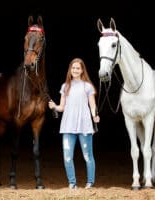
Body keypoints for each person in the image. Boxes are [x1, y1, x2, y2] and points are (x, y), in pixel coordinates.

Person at [48, 57, 100, 189]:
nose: (75, 70)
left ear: (82, 70)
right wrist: (54, 106)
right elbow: (62, 107)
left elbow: (92, 105)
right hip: (68, 126)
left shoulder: (87, 86)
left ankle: (90, 182)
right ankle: (72, 183)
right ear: (70, 70)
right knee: (67, 156)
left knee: (88, 155)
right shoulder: (65, 86)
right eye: (73, 68)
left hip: (84, 125)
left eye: (78, 68)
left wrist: (95, 116)